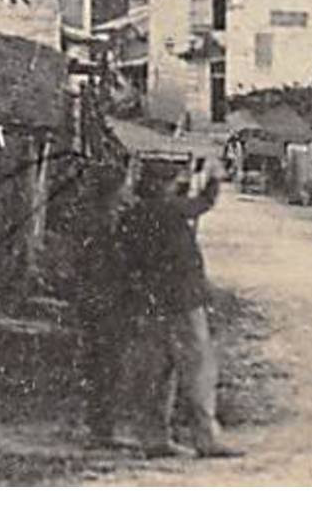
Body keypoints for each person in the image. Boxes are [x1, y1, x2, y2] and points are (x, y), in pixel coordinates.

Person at [116, 154, 244, 459]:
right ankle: (206, 439)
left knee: (156, 374)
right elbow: (203, 203)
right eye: (171, 182)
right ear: (161, 185)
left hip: (149, 303)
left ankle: (154, 439)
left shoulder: (132, 215)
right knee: (198, 370)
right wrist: (213, 178)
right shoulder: (170, 210)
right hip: (182, 302)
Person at [76, 154, 133, 447]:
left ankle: (98, 424)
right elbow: (110, 264)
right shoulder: (107, 223)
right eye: (124, 187)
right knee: (108, 364)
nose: (128, 191)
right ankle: (102, 429)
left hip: (95, 300)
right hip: (108, 302)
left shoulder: (96, 218)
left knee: (99, 363)